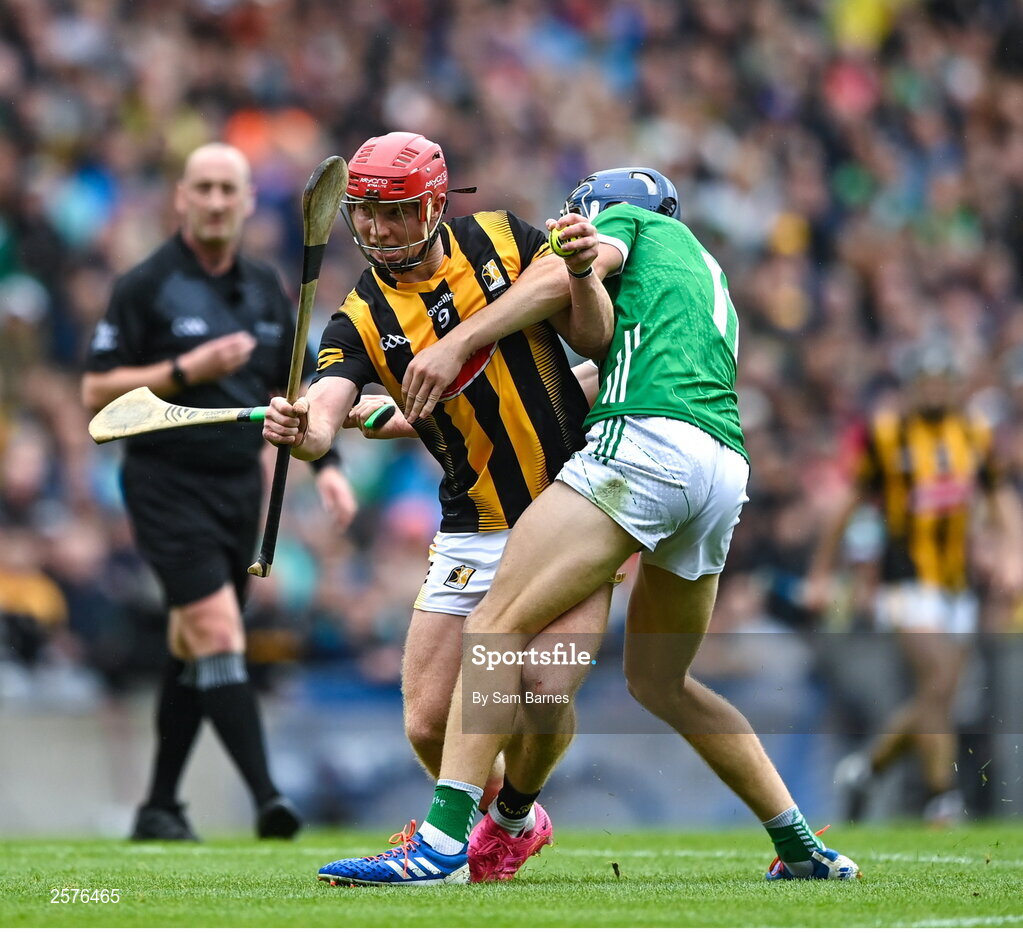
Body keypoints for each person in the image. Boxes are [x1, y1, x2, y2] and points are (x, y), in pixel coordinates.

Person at [317, 167, 860, 885]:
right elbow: (600, 371)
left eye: (580, 214)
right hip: (720, 468)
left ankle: (442, 847)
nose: (570, 224)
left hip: (643, 451)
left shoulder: (628, 225)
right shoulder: (699, 271)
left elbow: (565, 285)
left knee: (492, 626)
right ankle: (802, 847)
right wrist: (394, 412)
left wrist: (462, 338)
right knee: (663, 681)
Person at [262, 131, 612, 882]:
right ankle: (507, 821)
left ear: (433, 205)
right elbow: (327, 407)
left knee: (544, 689)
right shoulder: (357, 314)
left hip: (566, 506)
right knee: (426, 720)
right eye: (365, 214)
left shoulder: (501, 238)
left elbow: (589, 327)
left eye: (394, 213)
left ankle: (502, 818)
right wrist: (302, 430)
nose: (379, 230)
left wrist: (471, 336)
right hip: (470, 523)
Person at [81, 142, 357, 842]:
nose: (212, 201)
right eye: (200, 187)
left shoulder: (266, 288)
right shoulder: (145, 285)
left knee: (193, 644)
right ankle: (270, 800)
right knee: (218, 632)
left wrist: (325, 467)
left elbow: (294, 395)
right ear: (181, 197)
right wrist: (186, 367)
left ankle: (159, 807)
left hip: (240, 487)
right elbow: (95, 392)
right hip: (165, 482)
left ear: (242, 202)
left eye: (225, 190)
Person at [805, 340, 1023, 825]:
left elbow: (1000, 494)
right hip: (905, 582)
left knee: (938, 693)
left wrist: (1013, 553)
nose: (934, 389)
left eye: (942, 380)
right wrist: (822, 573)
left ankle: (866, 768)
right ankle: (941, 800)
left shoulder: (973, 434)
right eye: (925, 381)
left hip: (957, 584)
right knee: (940, 680)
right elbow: (848, 506)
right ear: (911, 386)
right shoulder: (889, 435)